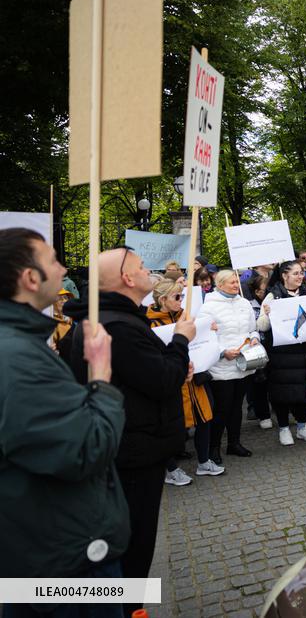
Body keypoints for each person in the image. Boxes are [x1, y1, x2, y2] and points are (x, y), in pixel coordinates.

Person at [0, 229, 131, 605]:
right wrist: (102, 377)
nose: (62, 270)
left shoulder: (20, 344)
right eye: (53, 260)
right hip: (65, 563)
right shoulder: (18, 358)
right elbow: (86, 449)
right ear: (30, 278)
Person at [66, 247, 194, 615]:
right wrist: (181, 341)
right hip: (133, 452)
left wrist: (173, 363)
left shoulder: (112, 320)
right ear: (127, 278)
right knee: (134, 546)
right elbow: (159, 379)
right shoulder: (118, 326)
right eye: (140, 267)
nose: (147, 272)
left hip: (129, 445)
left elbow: (145, 375)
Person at [146, 279, 222, 482]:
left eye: (182, 296)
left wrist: (209, 330)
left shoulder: (187, 318)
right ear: (162, 299)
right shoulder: (150, 323)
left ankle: (204, 462)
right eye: (177, 297)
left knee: (205, 418)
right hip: (173, 383)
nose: (181, 301)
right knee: (172, 425)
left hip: (195, 380)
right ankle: (170, 469)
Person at [197, 269, 260, 460]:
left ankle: (234, 443)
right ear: (220, 284)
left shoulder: (243, 303)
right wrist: (223, 352)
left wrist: (254, 339)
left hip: (243, 364)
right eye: (232, 282)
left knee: (236, 407)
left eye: (236, 281)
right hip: (221, 367)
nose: (236, 284)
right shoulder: (208, 307)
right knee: (222, 409)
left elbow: (252, 329)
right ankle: (214, 447)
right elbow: (204, 338)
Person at [257, 261, 306, 446]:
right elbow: (261, 326)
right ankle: (284, 428)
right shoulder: (272, 296)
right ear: (284, 275)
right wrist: (267, 315)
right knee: (281, 392)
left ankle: (302, 427)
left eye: (301, 273)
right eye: (295, 273)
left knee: (303, 391)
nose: (300, 277)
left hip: (305, 353)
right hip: (281, 355)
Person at [244, 272, 273, 429]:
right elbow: (253, 326)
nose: (268, 292)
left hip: (273, 346)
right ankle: (263, 414)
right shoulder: (249, 306)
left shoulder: (275, 300)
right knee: (260, 382)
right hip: (258, 348)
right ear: (257, 292)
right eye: (264, 290)